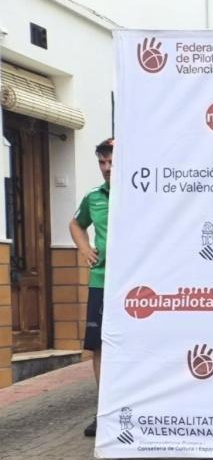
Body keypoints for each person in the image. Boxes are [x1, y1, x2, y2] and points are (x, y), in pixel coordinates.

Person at [69, 138, 113, 437]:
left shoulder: (145, 193)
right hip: (101, 282)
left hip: (140, 285)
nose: (107, 168)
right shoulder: (94, 197)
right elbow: (75, 224)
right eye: (102, 162)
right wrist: (85, 248)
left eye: (112, 162)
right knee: (99, 346)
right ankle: (105, 412)